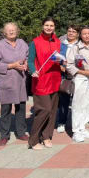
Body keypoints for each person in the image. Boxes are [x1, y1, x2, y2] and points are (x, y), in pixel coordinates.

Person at [28, 17, 62, 150]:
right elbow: (30, 60)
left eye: (51, 25)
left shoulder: (57, 41)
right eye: (47, 25)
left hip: (54, 79)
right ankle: (33, 140)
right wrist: (33, 71)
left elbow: (59, 58)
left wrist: (62, 61)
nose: (49, 27)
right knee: (44, 110)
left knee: (53, 111)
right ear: (42, 26)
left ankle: (46, 136)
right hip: (41, 80)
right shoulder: (35, 42)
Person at [66, 26, 89, 142]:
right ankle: (76, 131)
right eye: (84, 33)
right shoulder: (76, 48)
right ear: (80, 35)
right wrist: (84, 72)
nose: (87, 35)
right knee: (78, 104)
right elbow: (69, 65)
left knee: (88, 104)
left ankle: (83, 127)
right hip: (80, 78)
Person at [0, 23, 29, 146]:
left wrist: (25, 64)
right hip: (6, 81)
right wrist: (11, 66)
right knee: (6, 109)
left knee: (21, 108)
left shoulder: (22, 43)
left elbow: (27, 57)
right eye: (9, 30)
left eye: (14, 30)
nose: (11, 32)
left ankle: (21, 132)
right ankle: (4, 135)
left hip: (20, 80)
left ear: (17, 31)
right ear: (4, 32)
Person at [57, 24, 79, 133]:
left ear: (77, 34)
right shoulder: (61, 45)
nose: (71, 33)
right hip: (64, 76)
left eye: (73, 31)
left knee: (77, 101)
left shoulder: (79, 45)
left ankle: (78, 123)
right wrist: (60, 64)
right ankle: (62, 122)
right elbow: (55, 57)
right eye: (69, 31)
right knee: (63, 101)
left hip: (77, 75)